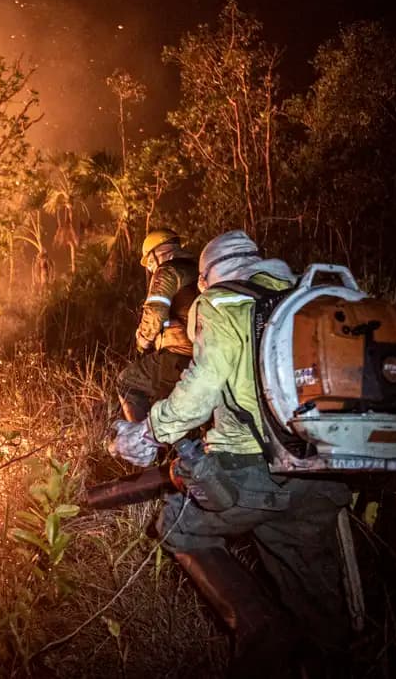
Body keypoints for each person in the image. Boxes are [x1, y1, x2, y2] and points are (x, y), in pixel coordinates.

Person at [111, 230, 351, 676]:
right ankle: (328, 661)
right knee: (308, 586)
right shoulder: (303, 297)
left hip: (252, 471)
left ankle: (261, 627)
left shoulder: (220, 301)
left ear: (205, 278)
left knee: (178, 528)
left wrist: (148, 434)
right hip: (322, 470)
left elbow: (201, 389)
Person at [115, 228, 198, 421]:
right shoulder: (198, 269)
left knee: (127, 382)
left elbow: (155, 311)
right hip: (205, 355)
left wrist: (143, 341)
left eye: (150, 262)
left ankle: (140, 443)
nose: (151, 268)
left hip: (179, 354)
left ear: (157, 253)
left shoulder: (167, 270)